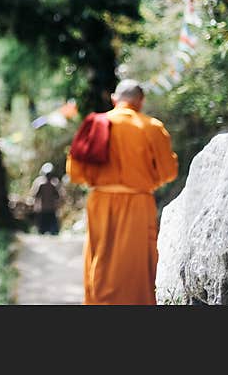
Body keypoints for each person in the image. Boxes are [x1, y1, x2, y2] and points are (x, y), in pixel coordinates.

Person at [66, 80, 178, 305]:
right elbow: (169, 172)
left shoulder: (96, 124)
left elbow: (75, 172)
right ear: (141, 102)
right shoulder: (152, 127)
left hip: (100, 201)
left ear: (114, 99)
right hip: (138, 202)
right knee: (136, 266)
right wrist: (149, 180)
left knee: (101, 259)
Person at [28, 163, 61, 235]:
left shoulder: (54, 183)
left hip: (50, 209)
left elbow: (58, 196)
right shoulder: (40, 183)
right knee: (42, 229)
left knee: (53, 230)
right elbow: (35, 195)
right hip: (42, 210)